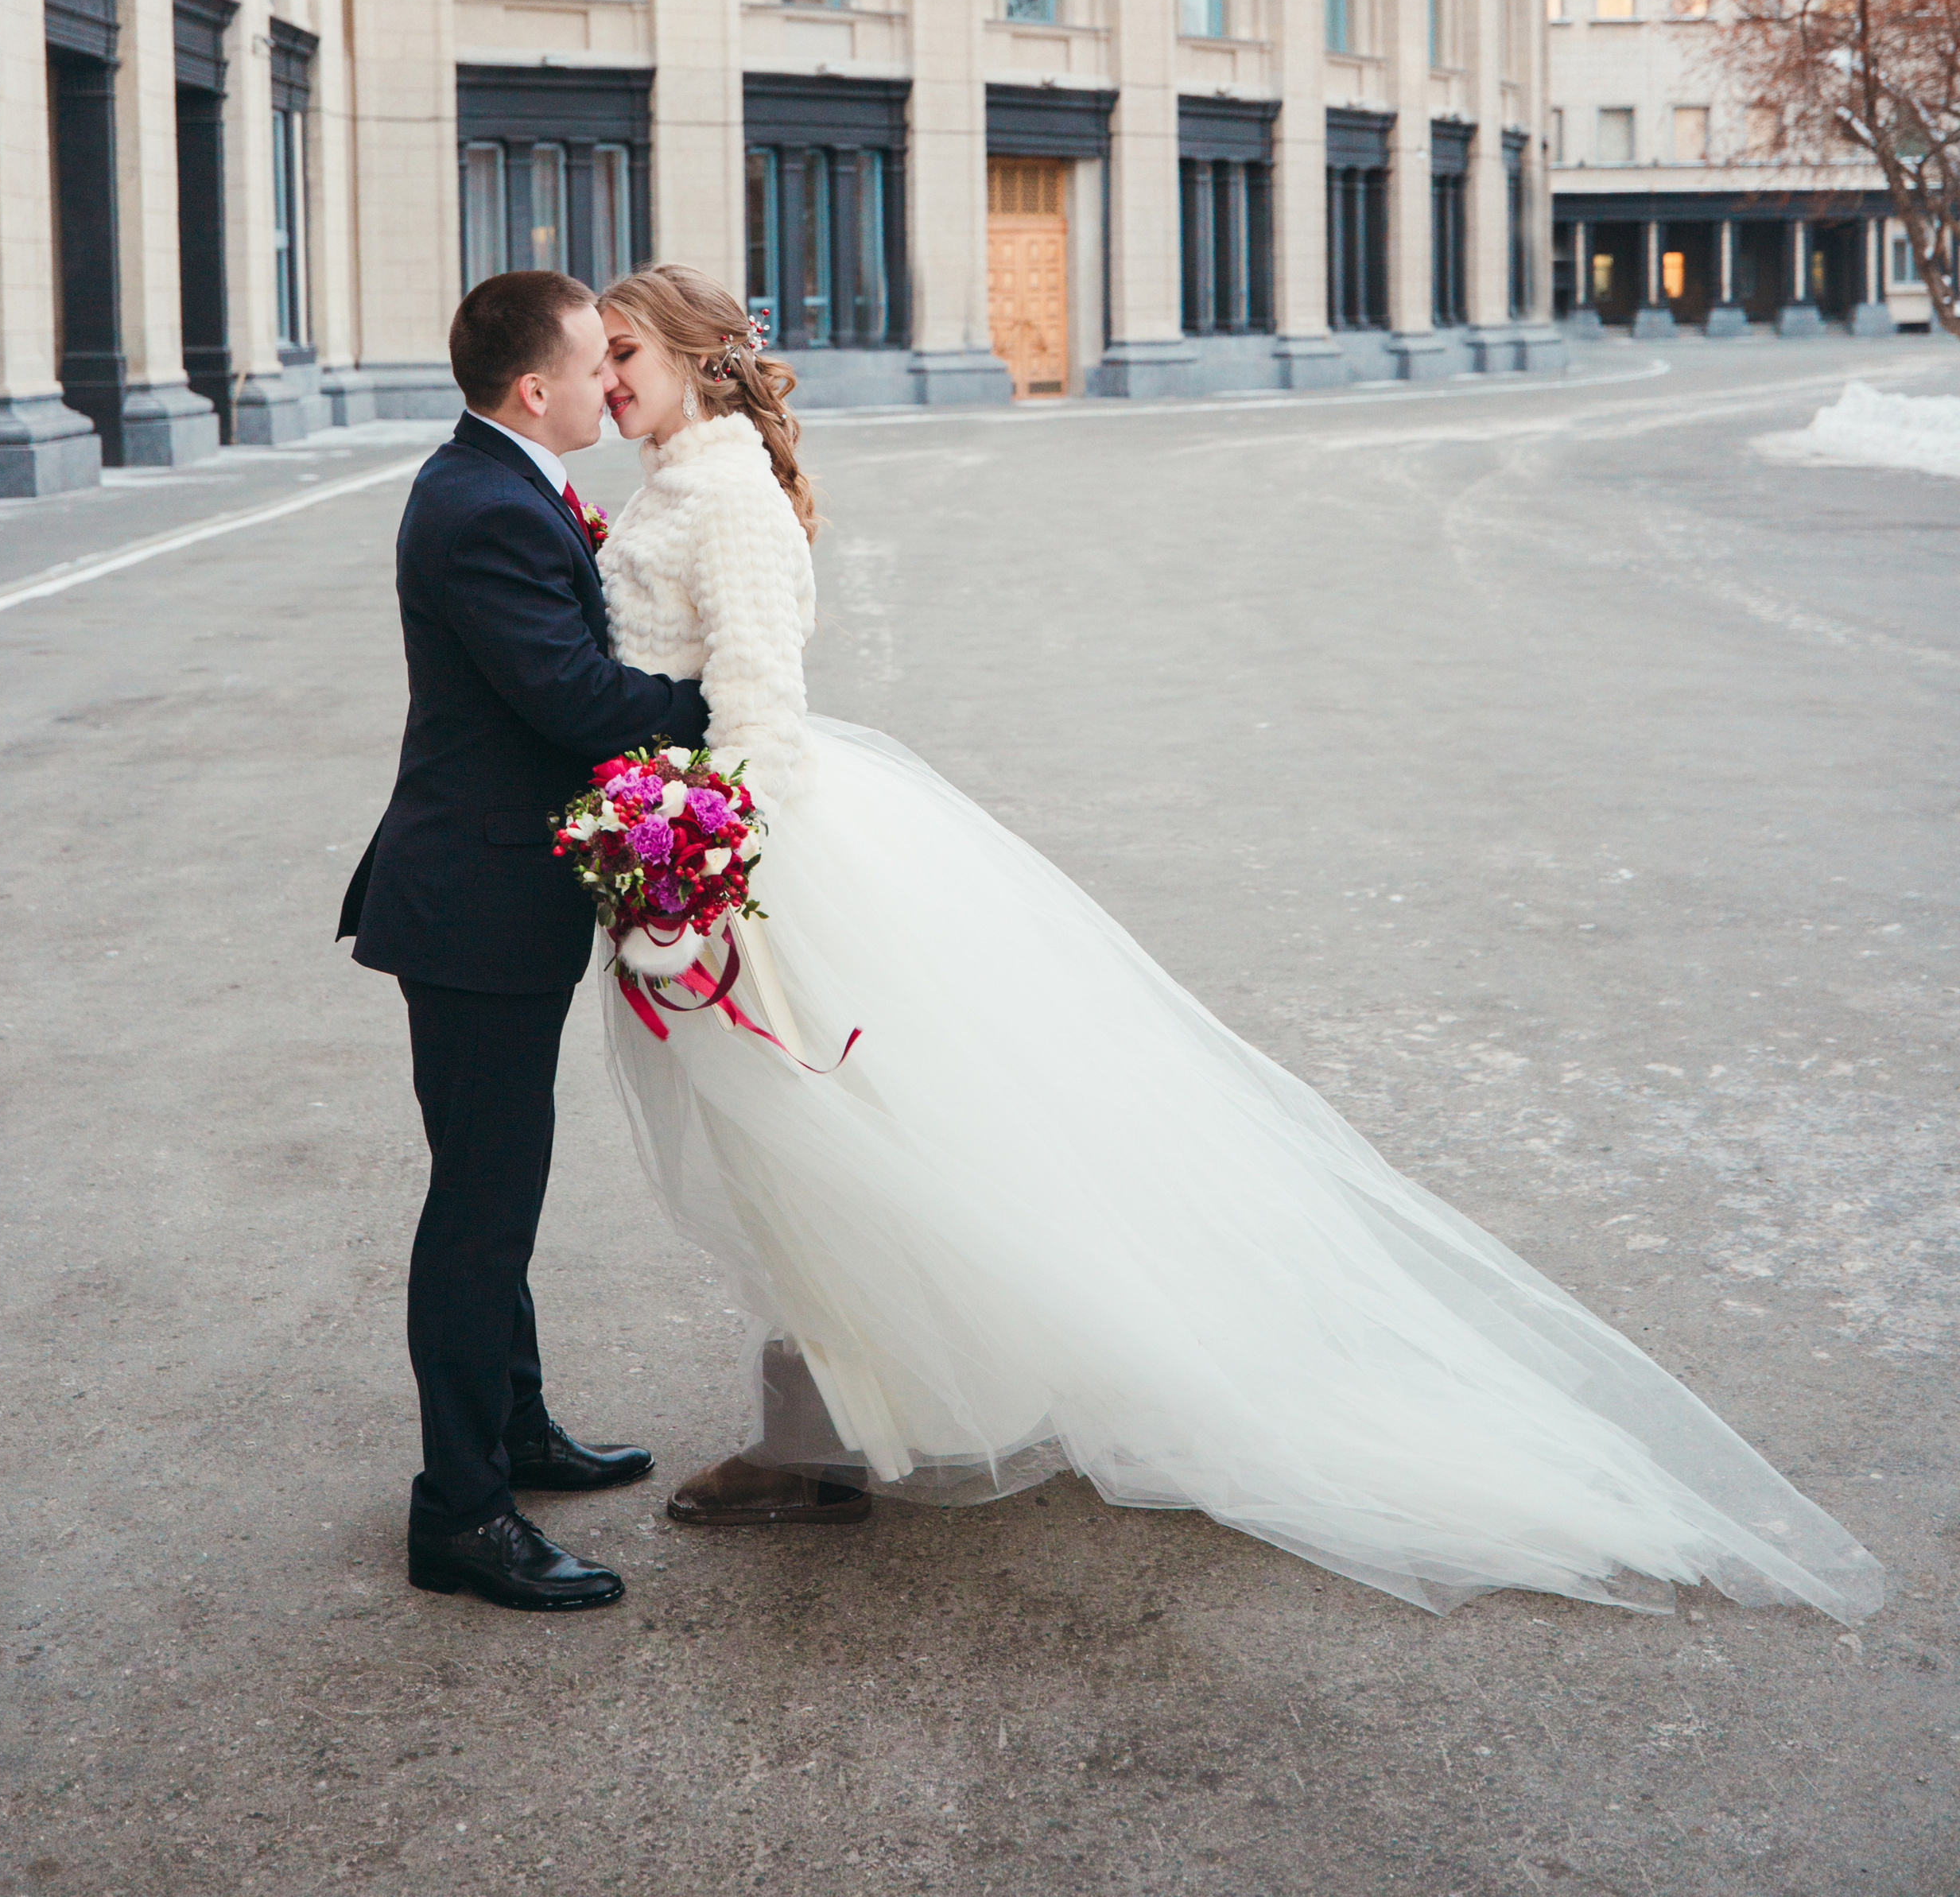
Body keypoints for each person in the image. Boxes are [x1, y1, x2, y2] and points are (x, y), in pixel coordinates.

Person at [585, 260, 1882, 1621]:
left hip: (760, 865)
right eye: (600, 357)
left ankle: (828, 1439)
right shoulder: (682, 475)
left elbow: (762, 721)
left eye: (625, 351)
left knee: (824, 1152)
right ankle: (845, 1416)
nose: (609, 377)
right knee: (819, 1152)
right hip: (732, 848)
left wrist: (702, 889)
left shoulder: (723, 491)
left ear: (694, 354)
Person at [339, 270, 708, 1612]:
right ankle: (462, 1513)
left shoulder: (505, 482)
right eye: (590, 362)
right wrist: (716, 703)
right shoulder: (484, 503)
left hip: (492, 896)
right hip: (471, 908)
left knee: (501, 1187)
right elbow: (565, 692)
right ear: (531, 389)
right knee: (481, 1210)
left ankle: (520, 1432)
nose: (612, 380)